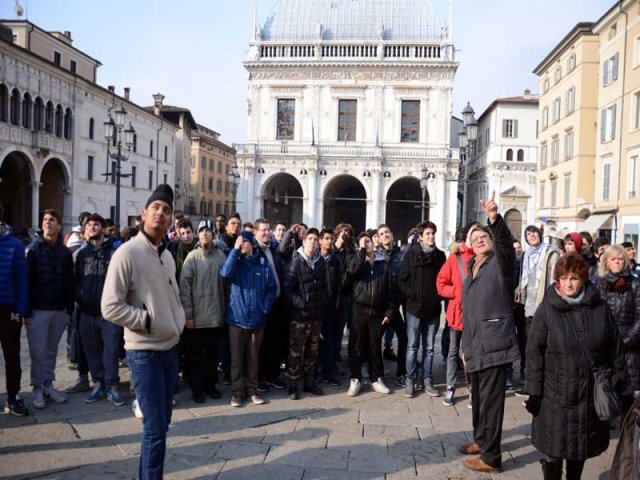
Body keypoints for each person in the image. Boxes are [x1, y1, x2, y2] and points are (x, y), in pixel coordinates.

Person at [101, 184, 186, 480]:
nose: (161, 214)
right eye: (156, 209)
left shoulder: (167, 255)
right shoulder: (127, 253)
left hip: (168, 351)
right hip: (144, 353)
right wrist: (148, 321)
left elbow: (172, 298)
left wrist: (176, 318)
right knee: (154, 428)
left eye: (166, 211)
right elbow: (110, 306)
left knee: (161, 425)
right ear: (143, 215)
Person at [525, 254, 618, 480]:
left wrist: (608, 380)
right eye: (564, 278)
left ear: (583, 280)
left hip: (587, 395)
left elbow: (613, 347)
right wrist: (534, 392)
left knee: (579, 450)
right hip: (555, 395)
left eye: (574, 278)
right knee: (554, 450)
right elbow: (534, 353)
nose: (568, 283)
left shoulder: (600, 308)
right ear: (557, 280)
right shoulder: (547, 309)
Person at [457, 192, 520, 474]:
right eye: (474, 238)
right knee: (479, 399)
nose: (479, 240)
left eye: (483, 237)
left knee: (493, 403)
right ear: (469, 246)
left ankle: (492, 458)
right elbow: (469, 314)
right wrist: (464, 348)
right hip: (476, 344)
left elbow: (505, 245)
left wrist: (494, 218)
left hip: (495, 342)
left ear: (491, 241)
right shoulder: (473, 268)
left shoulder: (501, 263)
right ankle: (481, 441)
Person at [220, 230, 276, 407]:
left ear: (252, 243)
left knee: (253, 358)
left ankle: (252, 389)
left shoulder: (261, 263)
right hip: (236, 318)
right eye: (239, 242)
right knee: (236, 358)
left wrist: (265, 307)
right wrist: (235, 251)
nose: (242, 244)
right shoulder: (235, 261)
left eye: (244, 242)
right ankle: (238, 392)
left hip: (257, 319)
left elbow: (272, 287)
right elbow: (225, 274)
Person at [74, 214, 125, 406]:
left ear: (103, 229)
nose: (93, 227)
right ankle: (98, 384)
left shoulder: (114, 253)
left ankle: (112, 386)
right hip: (87, 312)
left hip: (109, 314)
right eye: (89, 225)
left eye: (96, 224)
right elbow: (77, 280)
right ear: (85, 230)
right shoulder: (81, 254)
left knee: (111, 351)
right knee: (92, 351)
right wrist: (80, 297)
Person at [26, 209, 74, 409]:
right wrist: (25, 311)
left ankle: (48, 384)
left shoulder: (65, 252)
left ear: (59, 226)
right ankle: (36, 388)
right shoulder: (33, 249)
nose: (47, 223)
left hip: (59, 310)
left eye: (51, 220)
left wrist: (69, 309)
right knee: (37, 351)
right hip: (38, 309)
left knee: (52, 350)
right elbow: (26, 282)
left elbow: (69, 281)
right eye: (45, 220)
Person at [179, 220, 227, 403]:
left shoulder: (221, 256)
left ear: (213, 234)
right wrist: (188, 316)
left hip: (216, 317)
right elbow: (185, 289)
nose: (205, 233)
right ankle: (197, 389)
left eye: (208, 230)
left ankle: (211, 385)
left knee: (213, 356)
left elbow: (227, 286)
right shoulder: (192, 258)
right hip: (197, 319)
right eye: (202, 231)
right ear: (198, 235)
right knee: (196, 357)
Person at [398, 221, 446, 398]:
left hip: (433, 309)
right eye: (428, 234)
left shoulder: (440, 256)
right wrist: (414, 294)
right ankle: (410, 380)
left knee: (430, 348)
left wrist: (437, 296)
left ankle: (427, 379)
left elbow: (444, 279)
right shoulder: (410, 255)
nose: (431, 236)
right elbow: (402, 280)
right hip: (414, 309)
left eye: (433, 233)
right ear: (420, 236)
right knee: (412, 346)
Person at [345, 231, 396, 397]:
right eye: (363, 242)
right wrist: (361, 253)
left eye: (368, 241)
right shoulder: (357, 261)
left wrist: (389, 311)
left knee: (375, 346)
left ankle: (376, 378)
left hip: (378, 311)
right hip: (359, 309)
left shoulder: (384, 263)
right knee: (357, 345)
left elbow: (390, 289)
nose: (366, 245)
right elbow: (351, 273)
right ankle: (355, 378)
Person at [436, 221, 479, 407]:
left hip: (477, 314)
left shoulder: (483, 258)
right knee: (454, 352)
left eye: (479, 236)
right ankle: (451, 386)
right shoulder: (455, 258)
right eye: (472, 235)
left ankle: (472, 388)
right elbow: (440, 283)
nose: (476, 239)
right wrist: (455, 293)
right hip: (457, 312)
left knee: (472, 353)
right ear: (466, 237)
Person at [593, 244, 640, 414]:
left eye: (621, 259)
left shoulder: (635, 283)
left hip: (630, 347)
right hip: (605, 344)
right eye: (613, 259)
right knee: (606, 389)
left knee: (628, 394)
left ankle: (625, 435)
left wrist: (626, 342)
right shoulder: (598, 283)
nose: (618, 262)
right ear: (606, 262)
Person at [285, 228, 329, 399]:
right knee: (295, 352)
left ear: (318, 244)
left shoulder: (321, 263)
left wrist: (322, 304)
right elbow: (288, 290)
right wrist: (301, 304)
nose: (312, 242)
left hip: (316, 317)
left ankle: (309, 383)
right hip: (300, 317)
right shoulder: (296, 262)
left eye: (315, 239)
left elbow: (325, 286)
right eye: (309, 239)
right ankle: (293, 385)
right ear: (303, 242)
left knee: (312, 352)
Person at [516, 225, 560, 394]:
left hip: (545, 305)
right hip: (529, 306)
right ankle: (530, 383)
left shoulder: (551, 253)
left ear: (540, 234)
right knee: (530, 346)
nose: (531, 235)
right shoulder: (526, 255)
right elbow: (523, 279)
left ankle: (543, 384)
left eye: (533, 232)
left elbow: (555, 279)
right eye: (528, 234)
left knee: (543, 346)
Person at [0, 204, 29, 416]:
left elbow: (22, 280)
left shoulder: (15, 245)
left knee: (12, 356)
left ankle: (13, 397)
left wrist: (19, 311)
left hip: (8, 310)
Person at [253, 218, 287, 391]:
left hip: (277, 304)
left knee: (275, 343)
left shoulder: (273, 249)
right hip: (262, 306)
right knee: (261, 346)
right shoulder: (253, 251)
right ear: (255, 232)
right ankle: (260, 379)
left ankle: (273, 375)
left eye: (268, 230)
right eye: (263, 230)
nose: (266, 233)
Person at [377, 224, 408, 386]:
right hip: (379, 305)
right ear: (378, 238)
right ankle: (378, 373)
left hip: (395, 303)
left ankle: (401, 372)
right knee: (376, 339)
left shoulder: (401, 254)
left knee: (403, 337)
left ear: (391, 234)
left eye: (387, 232)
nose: (385, 235)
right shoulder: (376, 255)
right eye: (382, 233)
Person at [318, 228, 342, 386]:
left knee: (331, 342)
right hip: (316, 308)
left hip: (332, 308)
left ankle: (329, 372)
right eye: (326, 238)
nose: (329, 241)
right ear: (320, 241)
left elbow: (338, 283)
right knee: (316, 342)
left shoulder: (335, 260)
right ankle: (314, 372)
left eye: (331, 238)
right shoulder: (314, 258)